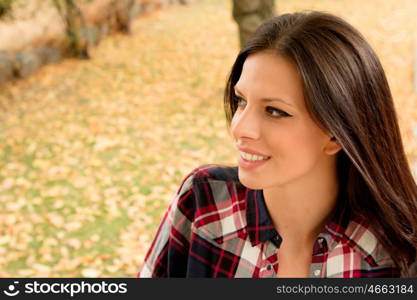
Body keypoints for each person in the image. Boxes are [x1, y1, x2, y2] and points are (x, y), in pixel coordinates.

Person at [138, 11, 417, 278]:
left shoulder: (396, 254)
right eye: (241, 101)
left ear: (335, 134)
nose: (240, 128)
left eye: (274, 111)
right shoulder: (204, 202)